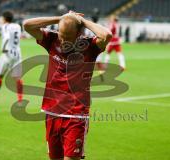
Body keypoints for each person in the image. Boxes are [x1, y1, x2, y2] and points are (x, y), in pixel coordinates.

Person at [24, 11, 112, 160]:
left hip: (75, 115)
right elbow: (27, 25)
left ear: (79, 34)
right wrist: (61, 18)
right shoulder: (52, 40)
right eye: (61, 35)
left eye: (68, 37)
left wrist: (81, 21)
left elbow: (107, 35)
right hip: (51, 112)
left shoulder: (91, 46)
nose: (63, 41)